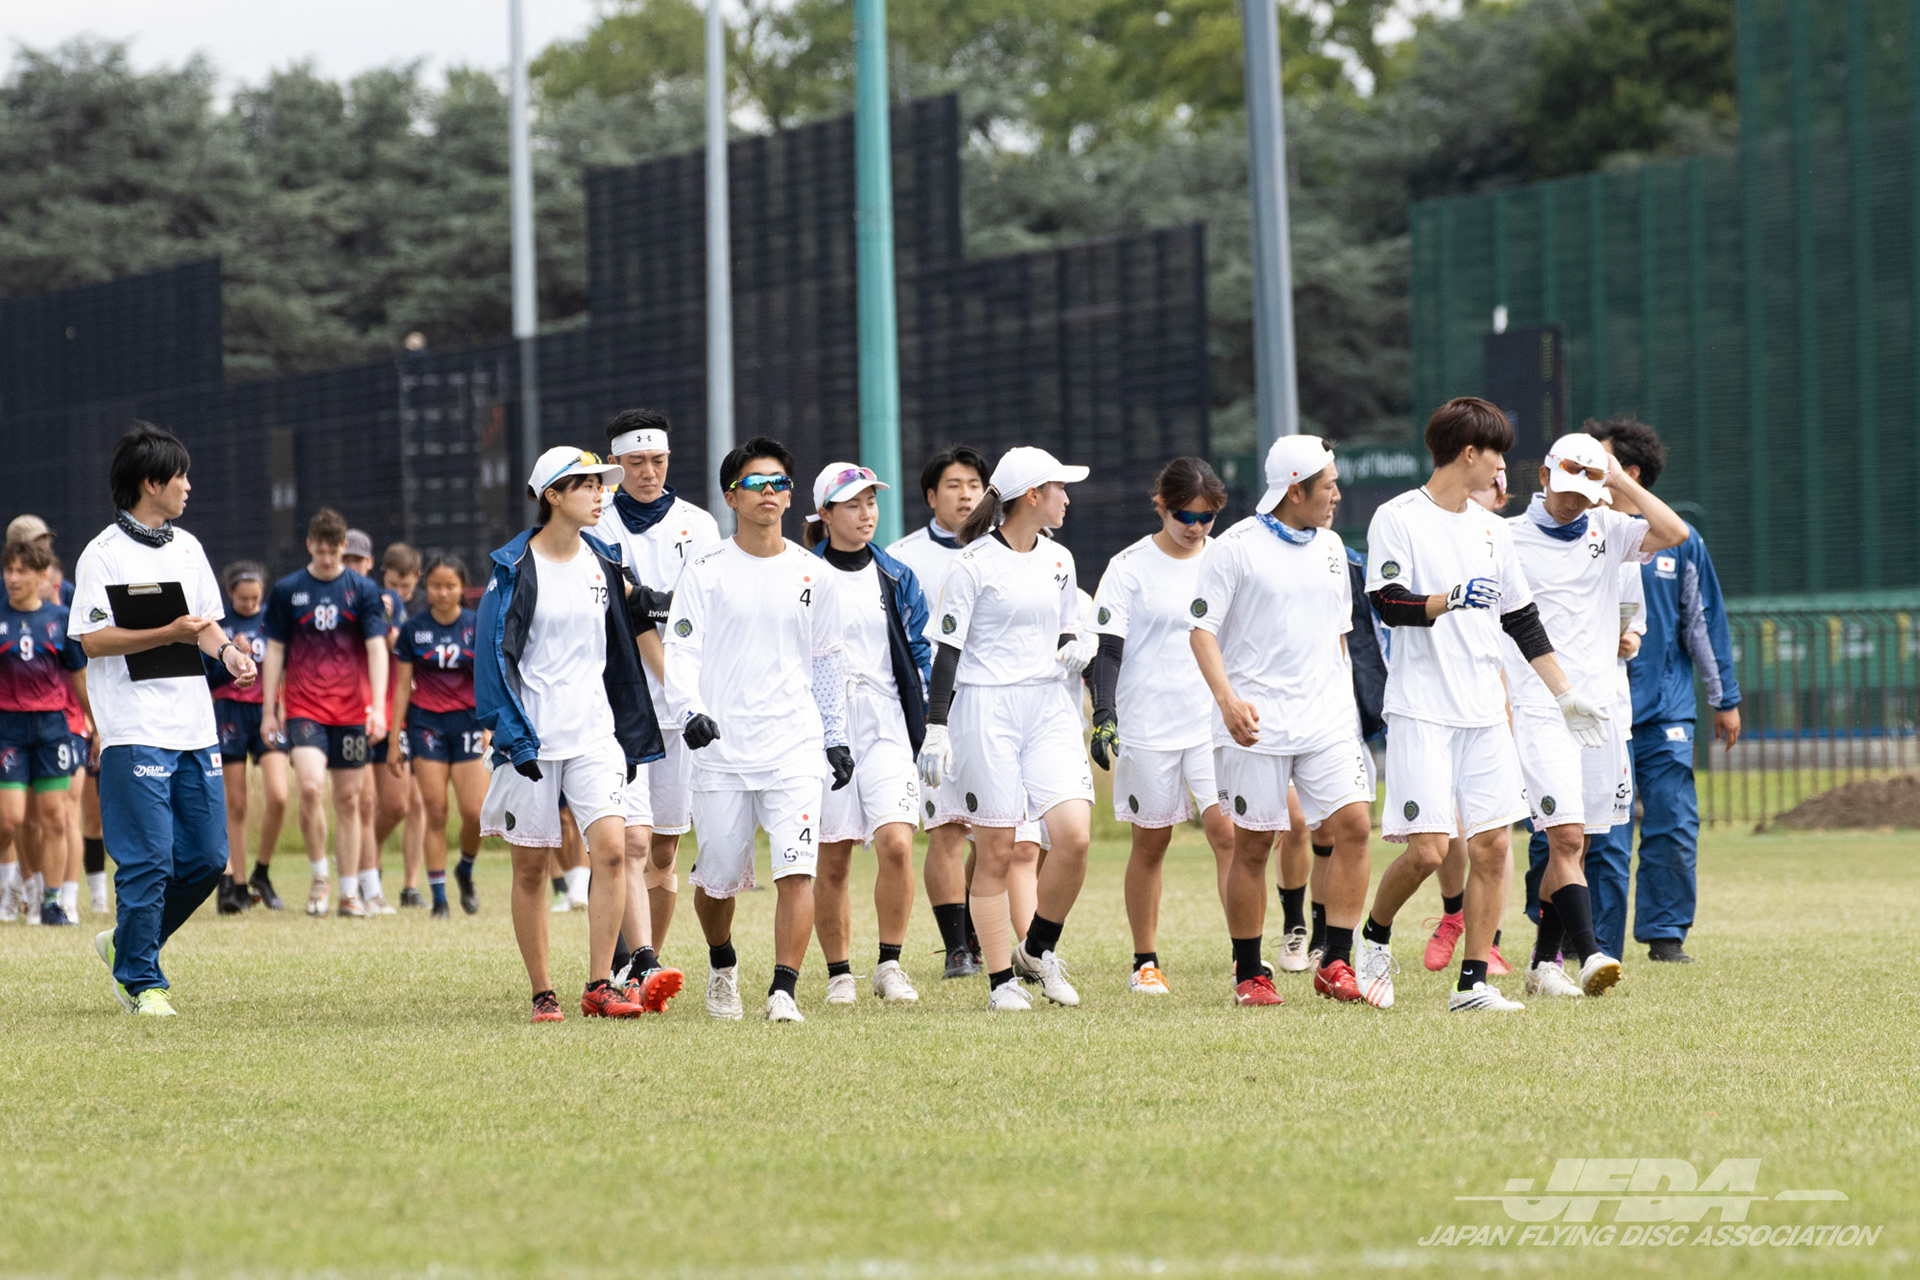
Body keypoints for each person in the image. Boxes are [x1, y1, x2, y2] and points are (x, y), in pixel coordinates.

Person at [1358, 397, 1612, 1012]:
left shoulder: (1494, 530)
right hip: (1422, 709)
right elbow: (1387, 602)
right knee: (1427, 851)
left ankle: (1473, 983)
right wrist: (1447, 599)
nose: (1503, 466)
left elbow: (1521, 617)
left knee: (1494, 846)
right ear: (1469, 453)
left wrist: (1565, 694)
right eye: (1496, 453)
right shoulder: (1398, 516)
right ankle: (1373, 938)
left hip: (1485, 712)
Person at [477, 445, 678, 1022]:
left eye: (600, 484)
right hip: (531, 739)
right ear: (553, 496)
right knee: (531, 868)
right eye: (586, 485)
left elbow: (638, 618)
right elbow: (491, 661)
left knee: (613, 850)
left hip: (596, 733)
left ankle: (599, 985)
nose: (599, 494)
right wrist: (511, 735)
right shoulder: (512, 567)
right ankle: (543, 992)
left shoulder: (605, 559)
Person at [664, 437, 853, 1024]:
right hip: (721, 748)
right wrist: (689, 711)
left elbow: (827, 660)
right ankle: (723, 964)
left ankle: (783, 990)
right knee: (717, 879)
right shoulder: (705, 571)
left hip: (793, 745)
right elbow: (681, 649)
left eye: (779, 484)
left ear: (791, 497)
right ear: (731, 497)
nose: (769, 493)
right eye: (755, 483)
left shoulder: (813, 574)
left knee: (797, 868)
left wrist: (835, 736)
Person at [73, 423, 258, 1015]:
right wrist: (166, 631)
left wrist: (228, 654)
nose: (188, 486)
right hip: (133, 729)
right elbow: (94, 641)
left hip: (194, 728)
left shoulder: (189, 548)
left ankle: (126, 942)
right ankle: (140, 981)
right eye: (180, 477)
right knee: (149, 859)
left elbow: (205, 626)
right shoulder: (101, 554)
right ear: (151, 483)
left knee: (206, 859)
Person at [1498, 432, 1687, 998]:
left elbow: (1675, 533)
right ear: (1543, 478)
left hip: (1601, 710)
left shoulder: (1610, 527)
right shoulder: (1507, 538)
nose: (1573, 502)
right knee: (1564, 838)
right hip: (1539, 705)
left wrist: (1618, 478)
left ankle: (1543, 964)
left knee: (1579, 844)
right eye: (1565, 489)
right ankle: (1591, 953)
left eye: (1584, 493)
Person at [1188, 437, 1376, 1007]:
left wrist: (1349, 713)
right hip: (1257, 725)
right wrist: (1227, 701)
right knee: (1253, 846)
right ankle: (1250, 973)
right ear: (1294, 490)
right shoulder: (1234, 548)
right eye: (1329, 486)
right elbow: (1201, 632)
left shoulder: (1332, 547)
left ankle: (1335, 962)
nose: (1337, 495)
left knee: (1354, 827)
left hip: (1326, 722)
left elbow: (1339, 638)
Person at [916, 446, 1096, 1012]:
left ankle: (1036, 949)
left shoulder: (1060, 559)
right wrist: (936, 729)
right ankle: (1001, 983)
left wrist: (1078, 644)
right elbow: (947, 652)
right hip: (985, 710)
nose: (1067, 498)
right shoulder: (971, 564)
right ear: (1033, 495)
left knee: (1074, 837)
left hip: (1048, 707)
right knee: (995, 852)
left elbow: (1067, 628)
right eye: (1060, 488)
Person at [1589, 416, 1741, 964]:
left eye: (1600, 461)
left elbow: (1702, 622)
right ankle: (1591, 940)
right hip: (1598, 710)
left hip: (1665, 708)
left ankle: (1665, 934)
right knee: (1602, 831)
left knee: (1673, 822)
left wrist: (1724, 698)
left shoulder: (1681, 540)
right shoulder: (1579, 532)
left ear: (1629, 473)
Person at [1086, 457, 1235, 995]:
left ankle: (1245, 958)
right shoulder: (1128, 567)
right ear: (1161, 507)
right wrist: (1103, 712)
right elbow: (1107, 648)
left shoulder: (1225, 558)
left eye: (1206, 517)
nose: (1195, 527)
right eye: (1184, 516)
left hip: (1212, 722)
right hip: (1149, 722)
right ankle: (1145, 961)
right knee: (1152, 843)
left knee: (1229, 834)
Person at [592, 408, 724, 961]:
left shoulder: (699, 525)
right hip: (622, 703)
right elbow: (626, 610)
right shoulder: (598, 521)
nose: (649, 472)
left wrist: (685, 695)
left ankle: (647, 970)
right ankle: (632, 964)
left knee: (665, 849)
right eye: (636, 462)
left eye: (658, 460)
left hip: (682, 708)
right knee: (630, 840)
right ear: (615, 463)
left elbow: (703, 610)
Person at [804, 463, 930, 1005]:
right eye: (852, 504)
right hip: (824, 725)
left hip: (886, 721)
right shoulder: (804, 575)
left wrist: (933, 721)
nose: (866, 513)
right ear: (825, 514)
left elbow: (920, 651)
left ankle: (890, 964)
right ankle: (839, 973)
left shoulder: (897, 576)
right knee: (833, 856)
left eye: (871, 502)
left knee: (897, 843)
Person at [884, 444, 991, 978]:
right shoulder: (901, 558)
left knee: (1004, 833)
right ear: (931, 496)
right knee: (947, 827)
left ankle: (975, 920)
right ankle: (956, 948)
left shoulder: (1008, 549)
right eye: (953, 485)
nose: (966, 495)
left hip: (996, 705)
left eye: (974, 485)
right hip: (935, 709)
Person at [260, 509, 390, 918]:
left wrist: (378, 708)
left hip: (350, 710)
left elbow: (376, 649)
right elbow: (275, 650)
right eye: (321, 551)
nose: (329, 559)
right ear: (309, 546)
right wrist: (269, 710)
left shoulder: (363, 590)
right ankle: (320, 877)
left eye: (335, 551)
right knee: (312, 787)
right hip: (304, 707)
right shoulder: (287, 590)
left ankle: (349, 893)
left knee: (349, 799)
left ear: (343, 547)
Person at [1421, 472, 1516, 978]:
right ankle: (1453, 914)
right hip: (1437, 702)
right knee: (1446, 830)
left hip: (1494, 696)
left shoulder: (1502, 540)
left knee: (1496, 832)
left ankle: (1489, 943)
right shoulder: (1424, 532)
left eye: (1494, 487)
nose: (1483, 496)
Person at [390, 556, 485, 919]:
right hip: (426, 724)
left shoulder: (476, 625)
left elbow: (488, 680)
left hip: (469, 723)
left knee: (474, 813)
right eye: (435, 586)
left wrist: (490, 726)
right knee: (436, 810)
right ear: (426, 588)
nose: (442, 593)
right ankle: (440, 898)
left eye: (450, 586)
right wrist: (395, 739)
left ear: (462, 588)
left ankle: (466, 868)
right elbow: (402, 687)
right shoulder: (413, 629)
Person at [0, 537, 87, 926]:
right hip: (8, 729)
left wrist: (94, 723)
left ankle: (51, 903)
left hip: (52, 728)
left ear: (41, 576)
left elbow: (79, 676)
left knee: (54, 817)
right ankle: (13, 885)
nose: (13, 578)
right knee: (11, 818)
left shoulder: (61, 619)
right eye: (9, 570)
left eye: (22, 571)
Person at [209, 562, 289, 913]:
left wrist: (283, 705)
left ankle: (262, 871)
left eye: (255, 598)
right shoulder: (220, 626)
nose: (250, 604)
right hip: (229, 713)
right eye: (243, 599)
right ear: (230, 595)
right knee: (236, 804)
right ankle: (236, 884)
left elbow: (286, 664)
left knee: (279, 794)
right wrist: (231, 657)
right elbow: (207, 677)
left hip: (266, 712)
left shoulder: (273, 619)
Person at [367, 542, 424, 910]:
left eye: (405, 585)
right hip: (386, 707)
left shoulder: (426, 609)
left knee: (417, 802)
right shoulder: (377, 604)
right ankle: (365, 860)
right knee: (392, 803)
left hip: (421, 712)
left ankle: (410, 885)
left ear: (417, 578)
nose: (398, 592)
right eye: (392, 584)